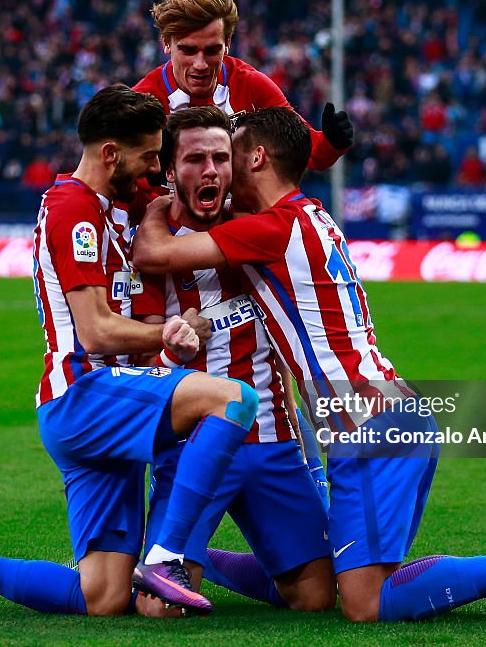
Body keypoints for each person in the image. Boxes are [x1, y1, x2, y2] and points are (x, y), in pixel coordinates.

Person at [132, 107, 486, 625]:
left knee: (366, 603)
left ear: (257, 158)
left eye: (230, 155)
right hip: (386, 417)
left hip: (370, 427)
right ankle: (186, 566)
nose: (220, 171)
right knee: (354, 586)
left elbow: (152, 253)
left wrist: (154, 204)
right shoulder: (310, 216)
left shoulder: (272, 228)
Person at [0, 85, 261, 617]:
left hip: (101, 409)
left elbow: (175, 189)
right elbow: (93, 331)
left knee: (103, 596)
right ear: (109, 153)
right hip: (85, 392)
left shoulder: (117, 202)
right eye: (144, 158)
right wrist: (166, 334)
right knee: (234, 401)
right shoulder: (74, 208)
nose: (150, 170)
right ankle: (164, 558)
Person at [132, 105, 334, 612]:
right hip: (195, 446)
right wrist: (167, 343)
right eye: (195, 159)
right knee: (161, 608)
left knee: (316, 599)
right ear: (170, 170)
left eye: (221, 158)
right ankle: (165, 562)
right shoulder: (149, 244)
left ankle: (207, 563)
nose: (211, 171)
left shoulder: (259, 230)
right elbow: (134, 350)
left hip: (271, 440)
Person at [133, 0, 354, 173]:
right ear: (166, 43)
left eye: (212, 51)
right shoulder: (143, 100)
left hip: (241, 215)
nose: (200, 64)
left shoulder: (251, 85)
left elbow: (309, 151)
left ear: (227, 44)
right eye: (188, 51)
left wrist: (331, 141)